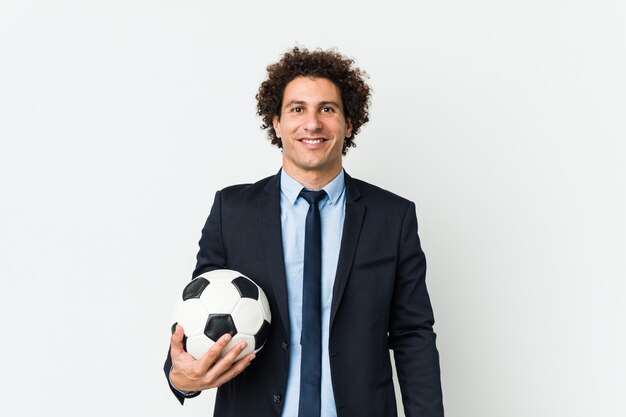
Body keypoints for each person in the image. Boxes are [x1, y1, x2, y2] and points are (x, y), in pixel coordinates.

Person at [164, 46, 444, 417]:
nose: (312, 123)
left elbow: (413, 334)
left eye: (327, 109)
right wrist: (180, 378)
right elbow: (198, 312)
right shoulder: (231, 211)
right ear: (277, 123)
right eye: (297, 109)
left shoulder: (392, 216)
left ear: (349, 123)